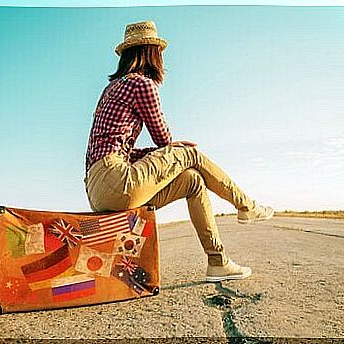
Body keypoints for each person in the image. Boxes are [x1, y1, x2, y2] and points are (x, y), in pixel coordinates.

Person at [84, 20, 274, 282]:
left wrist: (161, 153)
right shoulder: (141, 84)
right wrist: (175, 149)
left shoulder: (110, 90)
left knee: (193, 181)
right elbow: (164, 139)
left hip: (100, 189)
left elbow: (122, 151)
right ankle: (247, 206)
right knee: (190, 154)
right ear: (152, 53)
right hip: (116, 181)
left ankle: (217, 262)